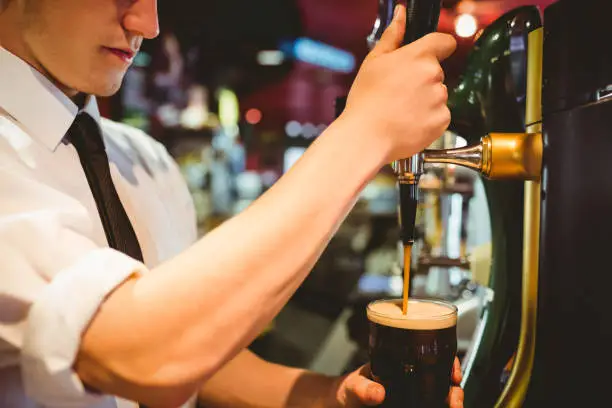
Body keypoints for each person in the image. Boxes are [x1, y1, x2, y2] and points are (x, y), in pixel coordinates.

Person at [0, 0, 463, 407]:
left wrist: (329, 398)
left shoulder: (145, 160)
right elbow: (139, 355)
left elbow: (193, 349)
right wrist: (365, 131)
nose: (148, 22)